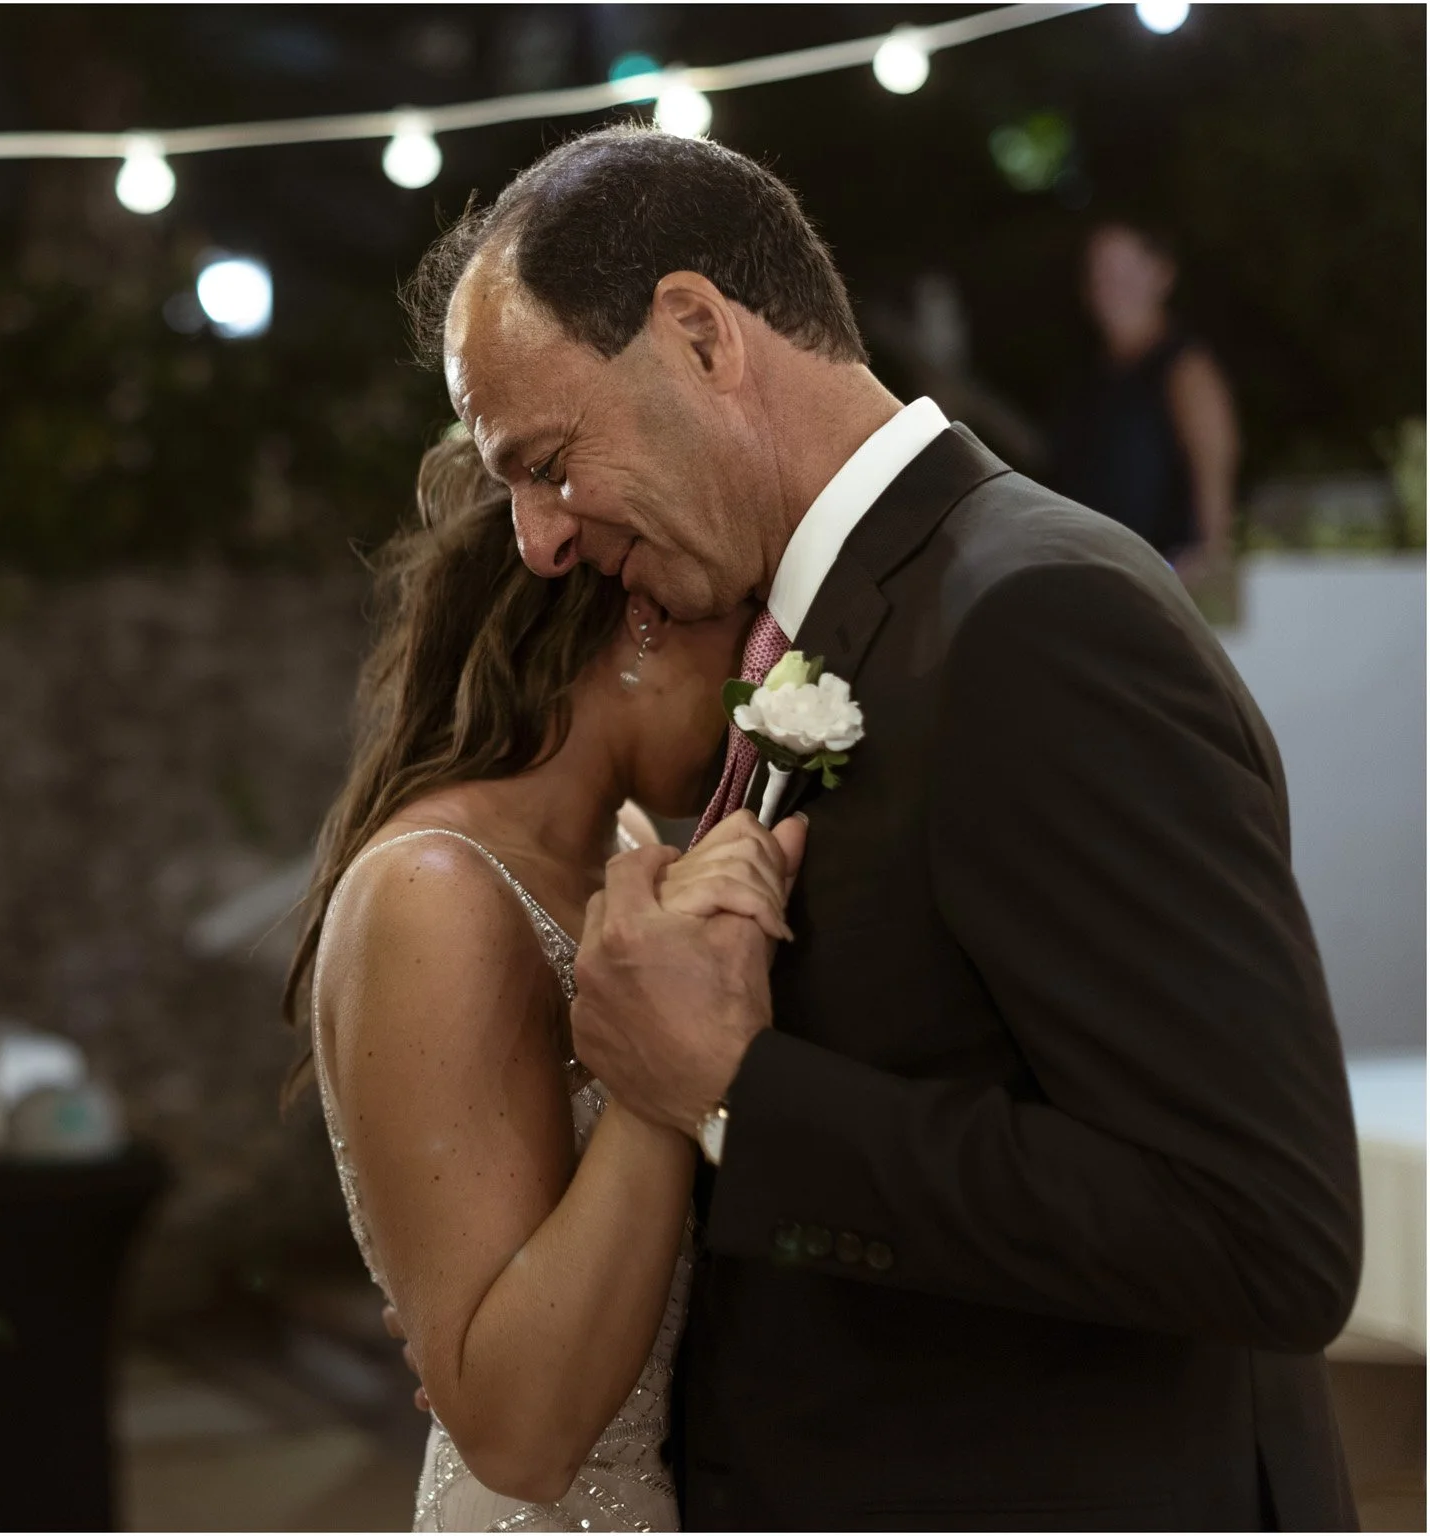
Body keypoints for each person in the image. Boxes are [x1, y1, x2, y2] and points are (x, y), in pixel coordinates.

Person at [402, 125, 1360, 1529]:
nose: (537, 541)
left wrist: (730, 1089)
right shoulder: (853, 617)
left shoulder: (1032, 619)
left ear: (698, 335)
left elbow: (1258, 1231)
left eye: (546, 462)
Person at [285, 428, 767, 1530]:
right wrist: (661, 1051)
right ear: (644, 613)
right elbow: (518, 1432)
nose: (758, 678)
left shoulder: (626, 842)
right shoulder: (433, 890)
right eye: (746, 626)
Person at [1052, 221, 1241, 578]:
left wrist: (1210, 557)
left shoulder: (1186, 369)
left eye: (1126, 271)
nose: (1111, 285)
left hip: (1161, 581)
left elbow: (1215, 476)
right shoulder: (1092, 375)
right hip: (1093, 573)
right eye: (1100, 271)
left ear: (1163, 275)